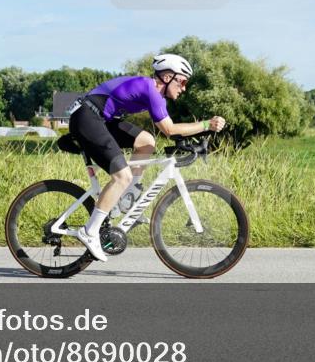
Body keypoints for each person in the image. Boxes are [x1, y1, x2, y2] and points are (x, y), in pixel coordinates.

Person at [68, 54, 226, 261]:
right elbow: (169, 129)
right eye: (183, 81)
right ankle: (89, 231)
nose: (184, 88)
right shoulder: (149, 88)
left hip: (100, 119)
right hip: (86, 118)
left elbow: (169, 130)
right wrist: (206, 125)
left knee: (146, 141)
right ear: (168, 76)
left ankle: (127, 197)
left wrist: (189, 139)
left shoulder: (156, 96)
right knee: (121, 176)